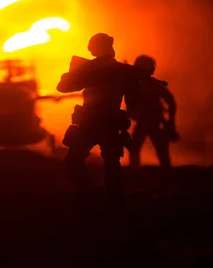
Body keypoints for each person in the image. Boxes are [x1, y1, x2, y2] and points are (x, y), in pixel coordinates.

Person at [57, 33, 155, 207]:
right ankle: (109, 195)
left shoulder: (98, 70)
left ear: (100, 47)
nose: (88, 49)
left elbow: (64, 86)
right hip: (105, 121)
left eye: (92, 45)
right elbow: (132, 101)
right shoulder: (114, 71)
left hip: (93, 121)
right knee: (108, 160)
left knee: (81, 158)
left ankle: (90, 194)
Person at [125, 55, 178, 170]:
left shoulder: (147, 86)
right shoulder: (138, 86)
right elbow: (171, 102)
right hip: (148, 123)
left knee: (153, 149)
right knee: (138, 148)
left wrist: (170, 121)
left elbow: (171, 102)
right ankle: (138, 172)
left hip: (152, 123)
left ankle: (138, 172)